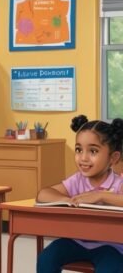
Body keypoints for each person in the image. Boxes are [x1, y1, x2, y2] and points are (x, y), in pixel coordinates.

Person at [36, 115, 123, 272]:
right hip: (76, 241)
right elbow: (43, 194)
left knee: (111, 268)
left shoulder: (119, 183)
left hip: (112, 245)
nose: (83, 158)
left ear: (113, 158)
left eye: (93, 151)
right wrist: (68, 199)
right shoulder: (77, 180)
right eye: (78, 150)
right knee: (46, 258)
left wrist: (101, 196)